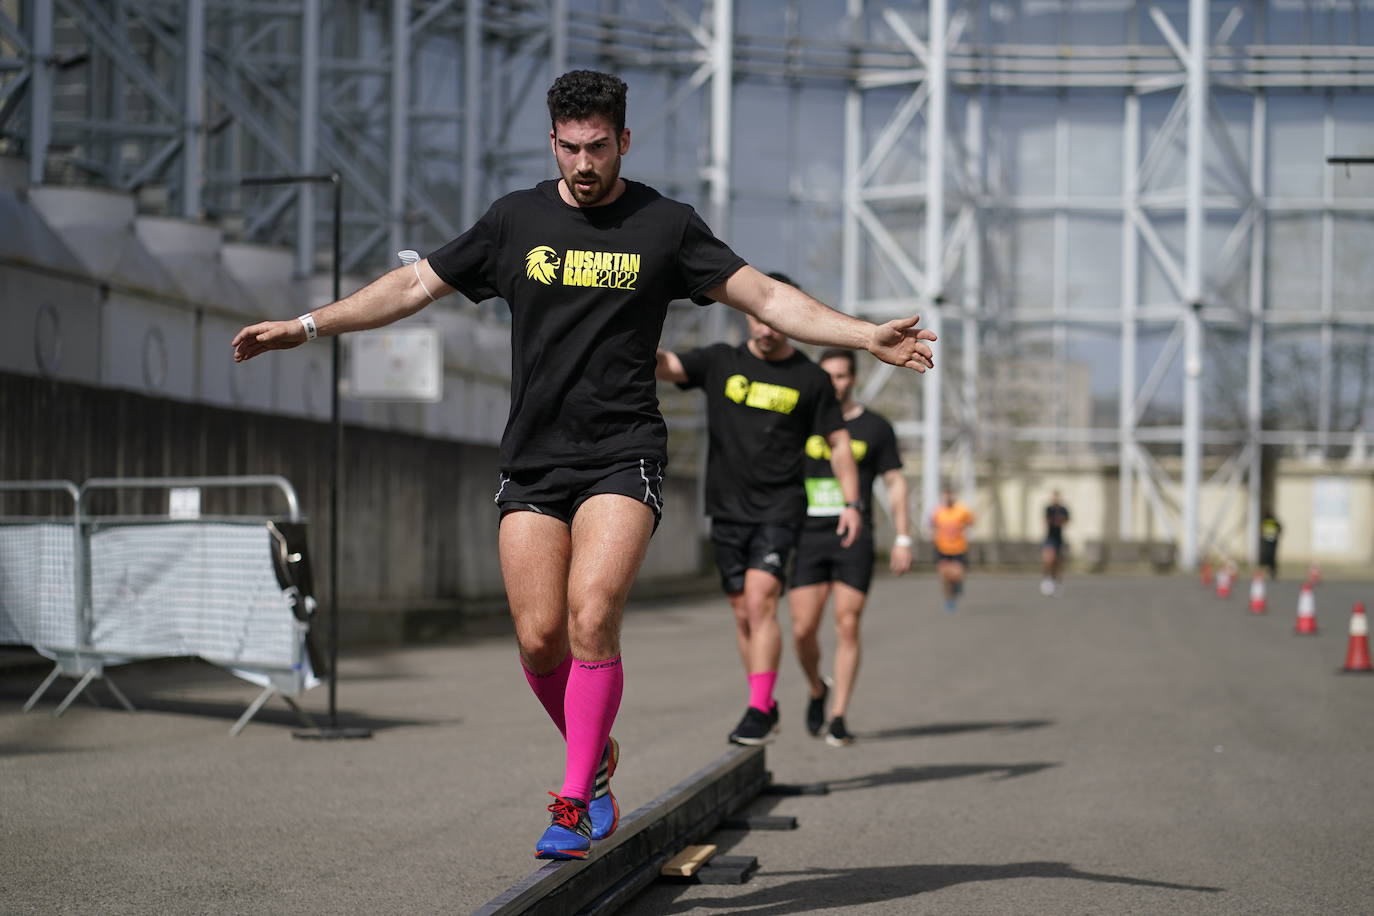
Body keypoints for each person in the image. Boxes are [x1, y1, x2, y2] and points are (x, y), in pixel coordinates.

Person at [230, 71, 937, 861]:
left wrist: (860, 333)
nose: (583, 164)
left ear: (623, 141)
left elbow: (767, 297)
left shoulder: (666, 226)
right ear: (553, 142)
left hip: (622, 451)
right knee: (539, 641)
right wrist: (305, 324)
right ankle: (595, 758)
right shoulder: (513, 221)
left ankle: (570, 803)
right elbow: (412, 285)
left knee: (591, 614)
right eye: (569, 148)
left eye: (598, 147)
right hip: (533, 458)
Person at [656, 276, 866, 747]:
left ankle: (757, 709)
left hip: (780, 508)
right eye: (758, 318)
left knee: (759, 601)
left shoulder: (811, 380)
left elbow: (838, 444)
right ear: (745, 316)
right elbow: (666, 365)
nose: (767, 328)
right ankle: (780, 697)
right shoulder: (719, 361)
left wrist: (853, 503)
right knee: (742, 613)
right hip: (727, 508)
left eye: (775, 321)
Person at [788, 348, 911, 747]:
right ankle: (817, 689)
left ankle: (839, 715)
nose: (834, 384)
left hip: (854, 537)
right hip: (807, 535)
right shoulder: (800, 421)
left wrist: (903, 537)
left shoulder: (876, 428)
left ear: (853, 379)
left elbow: (894, 482)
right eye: (828, 377)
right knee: (803, 630)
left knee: (847, 623)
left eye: (841, 376)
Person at [930, 486, 974, 613]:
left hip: (958, 548)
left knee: (957, 574)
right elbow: (932, 525)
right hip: (942, 548)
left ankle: (958, 585)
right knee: (944, 576)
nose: (948, 497)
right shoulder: (938, 512)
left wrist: (963, 531)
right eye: (946, 495)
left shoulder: (962, 511)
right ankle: (949, 600)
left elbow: (970, 522)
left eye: (950, 494)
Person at [1040, 491, 1070, 596]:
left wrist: (1060, 520)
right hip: (1050, 538)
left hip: (1059, 538)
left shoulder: (1063, 509)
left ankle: (1057, 582)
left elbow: (1066, 520)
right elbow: (1047, 521)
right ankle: (1047, 579)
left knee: (1058, 562)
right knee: (1049, 559)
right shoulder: (1049, 509)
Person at [1259, 509, 1282, 579]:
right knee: (1270, 556)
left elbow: (1261, 529)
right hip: (1272, 541)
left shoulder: (1266, 521)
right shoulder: (1272, 521)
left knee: (1268, 556)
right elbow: (1280, 528)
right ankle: (1271, 570)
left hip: (1269, 541)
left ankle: (1271, 571)